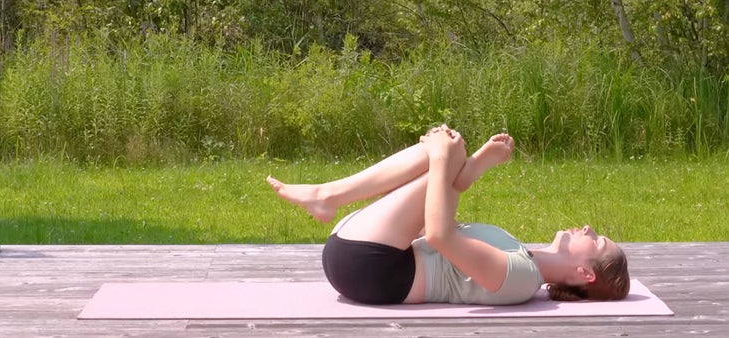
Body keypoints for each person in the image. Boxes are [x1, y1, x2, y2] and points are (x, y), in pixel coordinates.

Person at [267, 125, 630, 305]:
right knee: (447, 147)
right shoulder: (519, 252)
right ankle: (326, 196)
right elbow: (432, 219)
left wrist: (447, 161)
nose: (587, 227)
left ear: (585, 273)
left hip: (372, 268)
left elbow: (440, 235)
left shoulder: (522, 277)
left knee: (446, 151)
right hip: (369, 257)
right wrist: (469, 168)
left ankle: (327, 195)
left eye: (596, 239)